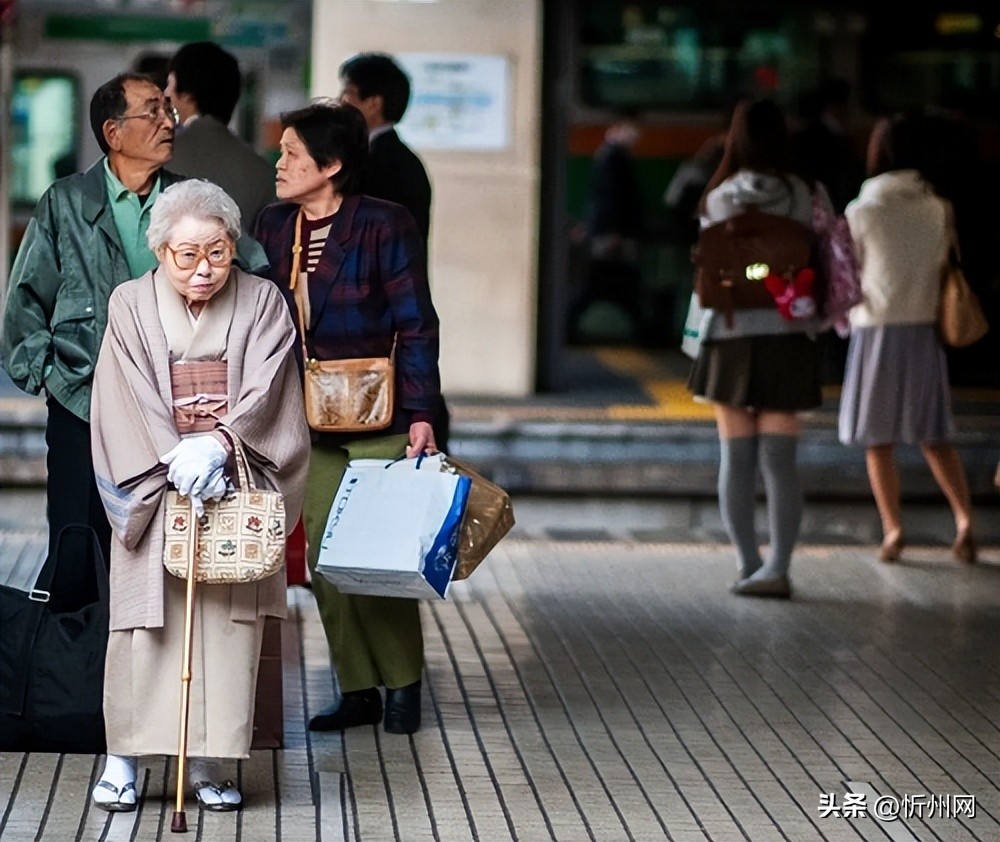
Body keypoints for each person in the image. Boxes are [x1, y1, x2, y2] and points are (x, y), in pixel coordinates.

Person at [2, 72, 267, 616]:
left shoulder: (191, 199)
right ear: (113, 131)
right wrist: (49, 375)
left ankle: (140, 680)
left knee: (156, 546)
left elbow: (252, 267)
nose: (169, 121)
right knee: (78, 543)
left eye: (169, 110)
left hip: (174, 410)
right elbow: (24, 301)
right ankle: (70, 682)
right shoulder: (66, 202)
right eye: (153, 111)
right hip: (82, 400)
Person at [87, 179, 310, 812]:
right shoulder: (129, 304)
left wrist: (219, 446)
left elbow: (271, 388)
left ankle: (213, 762)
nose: (205, 269)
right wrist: (172, 457)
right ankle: (124, 757)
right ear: (159, 251)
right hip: (157, 483)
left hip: (231, 478)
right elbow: (121, 393)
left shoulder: (264, 300)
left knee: (227, 626)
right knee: (141, 627)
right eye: (187, 256)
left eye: (217, 252)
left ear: (233, 245)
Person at [253, 102, 441, 735]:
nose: (279, 165)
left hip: (378, 413)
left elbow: (416, 323)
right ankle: (357, 687)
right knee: (328, 563)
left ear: (331, 165)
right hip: (303, 416)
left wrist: (421, 412)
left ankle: (404, 684)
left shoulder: (384, 224)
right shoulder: (275, 226)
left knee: (378, 559)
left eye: (292, 155)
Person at [687, 98, 826, 599]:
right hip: (788, 334)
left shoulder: (718, 197)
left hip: (729, 336)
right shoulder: (806, 194)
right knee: (780, 463)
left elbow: (705, 269)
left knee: (736, 460)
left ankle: (748, 565)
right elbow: (827, 249)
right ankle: (779, 569)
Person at [839, 113, 978, 564]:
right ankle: (963, 521)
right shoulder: (939, 208)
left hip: (876, 328)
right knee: (934, 434)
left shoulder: (861, 211)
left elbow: (850, 272)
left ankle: (894, 529)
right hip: (924, 330)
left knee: (878, 439)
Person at [338, 51, 450, 451]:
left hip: (378, 323)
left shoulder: (374, 165)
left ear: (374, 102)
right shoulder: (404, 162)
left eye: (348, 92)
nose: (341, 102)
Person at [165, 41, 276, 232]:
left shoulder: (162, 154)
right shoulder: (263, 171)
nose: (166, 93)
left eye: (169, 83)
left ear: (188, 94)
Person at [566, 110, 646, 343]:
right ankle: (642, 330)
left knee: (604, 284)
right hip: (612, 234)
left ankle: (641, 329)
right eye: (634, 128)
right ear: (620, 126)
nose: (637, 135)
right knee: (608, 284)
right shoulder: (614, 156)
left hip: (607, 232)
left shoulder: (608, 154)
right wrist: (616, 233)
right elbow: (611, 198)